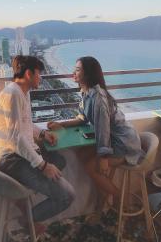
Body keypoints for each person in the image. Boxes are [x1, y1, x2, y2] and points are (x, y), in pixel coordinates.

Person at [47, 56, 145, 207]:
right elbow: (83, 117)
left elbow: (102, 128)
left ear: (87, 74)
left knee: (91, 167)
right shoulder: (87, 92)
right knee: (82, 154)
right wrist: (62, 124)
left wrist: (103, 157)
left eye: (78, 70)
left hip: (123, 143)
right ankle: (104, 202)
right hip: (113, 139)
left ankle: (122, 197)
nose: (74, 72)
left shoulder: (98, 98)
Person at [0, 55, 75, 229]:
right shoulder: (13, 94)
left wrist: (43, 133)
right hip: (12, 159)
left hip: (21, 154)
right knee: (67, 195)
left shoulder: (23, 92)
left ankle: (27, 196)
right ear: (29, 74)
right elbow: (16, 138)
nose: (41, 78)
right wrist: (43, 166)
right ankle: (28, 221)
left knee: (60, 161)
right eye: (39, 74)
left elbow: (26, 123)